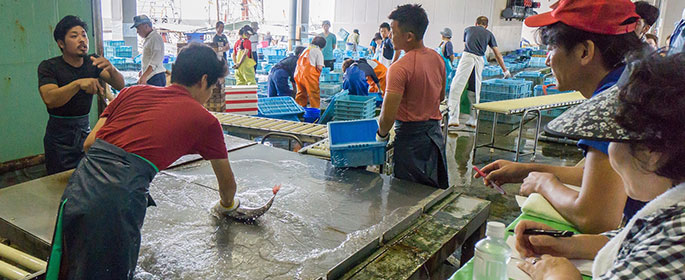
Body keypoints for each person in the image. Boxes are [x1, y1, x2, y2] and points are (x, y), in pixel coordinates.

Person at [44, 43, 274, 279]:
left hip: (78, 189)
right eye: (212, 87)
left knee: (70, 268)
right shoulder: (205, 121)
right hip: (116, 202)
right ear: (204, 80)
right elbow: (227, 184)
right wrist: (227, 205)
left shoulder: (130, 92)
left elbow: (89, 143)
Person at [476, 0, 646, 234]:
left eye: (552, 48)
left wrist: (545, 184)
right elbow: (595, 176)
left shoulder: (614, 101)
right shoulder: (635, 80)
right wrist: (525, 170)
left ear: (585, 51)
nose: (547, 59)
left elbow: (595, 217)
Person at [514, 52, 685, 280]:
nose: (609, 151)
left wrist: (560, 276)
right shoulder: (672, 216)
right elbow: (635, 235)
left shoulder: (674, 242)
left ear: (652, 151)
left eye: (611, 139)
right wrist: (571, 244)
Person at [38, 15, 124, 175]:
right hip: (59, 137)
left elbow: (120, 85)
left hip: (84, 132)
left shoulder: (93, 61)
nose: (82, 40)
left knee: (87, 178)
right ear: (61, 43)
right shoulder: (49, 67)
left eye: (84, 35)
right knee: (59, 181)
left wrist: (112, 69)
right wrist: (77, 84)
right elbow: (50, 99)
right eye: (74, 36)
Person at [376, 4, 448, 189]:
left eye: (393, 31)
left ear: (409, 36)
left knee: (407, 199)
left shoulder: (399, 69)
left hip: (411, 142)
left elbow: (387, 117)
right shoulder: (437, 58)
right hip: (434, 137)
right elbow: (440, 97)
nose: (390, 36)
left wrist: (381, 137)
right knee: (432, 193)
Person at [448, 16, 509, 128]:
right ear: (486, 26)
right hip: (479, 61)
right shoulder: (489, 34)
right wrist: (505, 70)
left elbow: (466, 45)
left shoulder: (468, 30)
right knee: (475, 89)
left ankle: (453, 118)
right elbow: (497, 54)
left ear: (476, 23)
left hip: (467, 58)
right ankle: (473, 120)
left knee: (456, 87)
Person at [132, 15, 166, 87]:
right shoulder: (149, 39)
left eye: (138, 28)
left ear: (146, 26)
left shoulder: (155, 38)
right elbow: (149, 58)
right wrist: (143, 71)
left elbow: (155, 61)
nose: (137, 32)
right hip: (151, 76)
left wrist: (145, 75)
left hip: (156, 77)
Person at [294, 36, 326, 108]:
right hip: (309, 76)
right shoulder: (318, 51)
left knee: (301, 94)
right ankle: (315, 114)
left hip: (298, 75)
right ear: (322, 45)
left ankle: (299, 112)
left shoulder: (306, 49)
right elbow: (319, 67)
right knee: (314, 95)